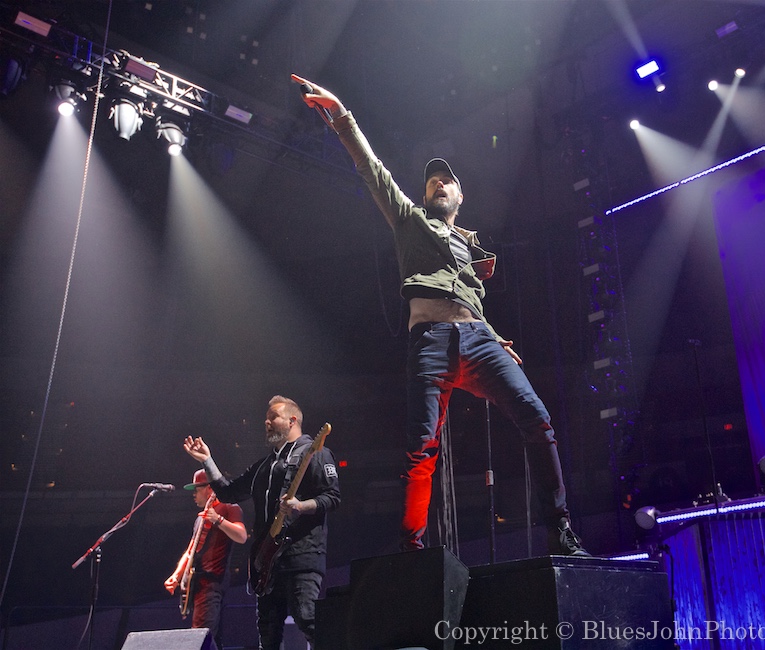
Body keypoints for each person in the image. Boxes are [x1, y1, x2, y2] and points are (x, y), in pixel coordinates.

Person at [291, 73, 588, 557]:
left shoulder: (470, 246)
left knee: (537, 419)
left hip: (480, 340)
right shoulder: (411, 222)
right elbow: (372, 169)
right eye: (432, 180)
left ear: (460, 196)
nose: (439, 183)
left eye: (447, 179)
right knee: (421, 449)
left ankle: (560, 527)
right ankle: (412, 549)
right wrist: (342, 115)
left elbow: (473, 300)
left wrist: (494, 336)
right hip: (429, 343)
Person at [182, 395, 341, 649]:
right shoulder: (264, 466)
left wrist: (301, 506)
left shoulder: (316, 453)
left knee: (307, 618)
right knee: (268, 635)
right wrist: (207, 461)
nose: (266, 422)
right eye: (266, 419)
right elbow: (228, 492)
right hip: (267, 563)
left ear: (292, 420)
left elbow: (333, 497)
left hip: (301, 556)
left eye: (273, 417)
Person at [165, 469, 247, 648]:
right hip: (198, 584)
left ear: (209, 489)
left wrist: (218, 520)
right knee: (211, 639)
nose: (194, 494)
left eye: (197, 489)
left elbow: (242, 536)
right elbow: (191, 550)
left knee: (201, 637)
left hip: (212, 584)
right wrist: (177, 575)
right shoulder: (200, 518)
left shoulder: (229, 507)